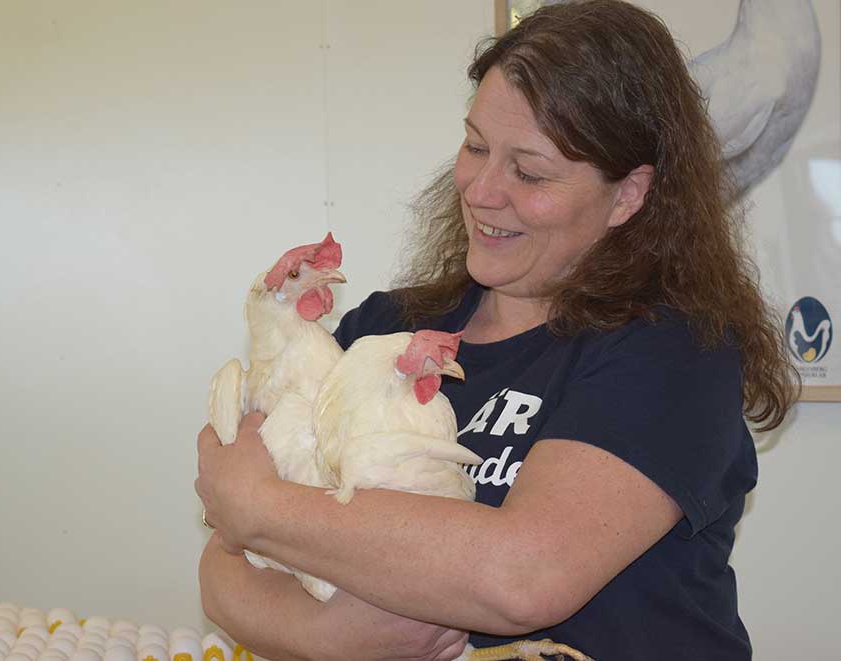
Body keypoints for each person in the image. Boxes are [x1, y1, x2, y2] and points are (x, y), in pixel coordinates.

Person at [195, 1, 798, 658]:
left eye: (528, 171)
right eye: (476, 146)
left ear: (627, 194)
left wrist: (258, 505)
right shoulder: (385, 332)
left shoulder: (672, 352)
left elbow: (524, 575)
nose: (480, 189)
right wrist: (328, 635)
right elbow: (224, 573)